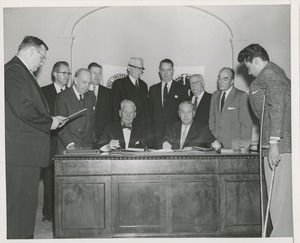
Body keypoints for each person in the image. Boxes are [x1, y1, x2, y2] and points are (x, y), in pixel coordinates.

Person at [5, 36, 66, 239]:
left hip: (26, 154)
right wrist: (49, 122)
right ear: (31, 52)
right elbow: (23, 108)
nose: (42, 62)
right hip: (20, 155)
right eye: (42, 57)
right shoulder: (14, 71)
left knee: (24, 211)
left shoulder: (22, 72)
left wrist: (50, 118)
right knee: (18, 213)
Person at [238, 44, 292, 237]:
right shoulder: (277, 73)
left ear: (257, 60)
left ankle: (281, 238)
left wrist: (274, 143)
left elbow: (277, 106)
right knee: (282, 200)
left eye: (248, 66)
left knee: (279, 200)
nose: (248, 71)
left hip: (280, 147)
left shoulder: (269, 75)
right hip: (282, 146)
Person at [40, 61, 71, 222]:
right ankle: (48, 213)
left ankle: (64, 213)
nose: (67, 76)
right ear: (55, 74)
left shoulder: (71, 93)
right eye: (64, 73)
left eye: (68, 73)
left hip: (67, 142)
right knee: (49, 178)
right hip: (50, 142)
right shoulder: (44, 92)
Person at [209, 67, 253, 152]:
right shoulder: (215, 95)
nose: (221, 82)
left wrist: (244, 147)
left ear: (232, 81)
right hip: (216, 145)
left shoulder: (241, 96)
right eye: (219, 78)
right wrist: (212, 140)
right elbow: (212, 121)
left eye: (225, 79)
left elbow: (246, 124)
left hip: (235, 146)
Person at [149, 58, 188, 148]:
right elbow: (150, 114)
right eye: (163, 70)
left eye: (168, 70)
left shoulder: (182, 89)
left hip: (175, 135)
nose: (165, 73)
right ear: (159, 71)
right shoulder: (152, 89)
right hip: (156, 136)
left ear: (173, 71)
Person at [55, 68, 95, 153]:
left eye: (89, 83)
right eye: (84, 82)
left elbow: (92, 122)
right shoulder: (62, 97)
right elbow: (61, 125)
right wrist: (70, 144)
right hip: (68, 147)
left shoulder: (91, 96)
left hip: (87, 147)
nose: (87, 86)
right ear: (75, 80)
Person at [111, 57, 150, 133]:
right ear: (129, 68)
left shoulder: (144, 85)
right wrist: (115, 130)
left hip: (142, 129)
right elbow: (115, 109)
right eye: (136, 68)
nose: (139, 71)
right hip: (126, 127)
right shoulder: (119, 84)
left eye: (141, 68)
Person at [88, 62, 112, 138]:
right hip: (84, 137)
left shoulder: (109, 93)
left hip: (102, 136)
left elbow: (110, 117)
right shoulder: (82, 91)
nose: (97, 76)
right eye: (94, 73)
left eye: (99, 73)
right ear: (88, 74)